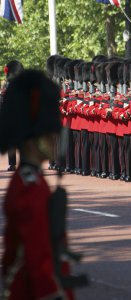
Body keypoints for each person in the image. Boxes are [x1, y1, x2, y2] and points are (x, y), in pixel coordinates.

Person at [0, 69, 87, 300]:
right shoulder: (30, 188)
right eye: (49, 131)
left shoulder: (30, 181)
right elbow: (38, 262)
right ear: (35, 135)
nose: (53, 135)